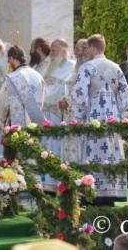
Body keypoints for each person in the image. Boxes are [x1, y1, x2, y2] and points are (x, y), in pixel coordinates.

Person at [72, 34, 128, 205]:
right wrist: (122, 116)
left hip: (94, 115)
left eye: (87, 49)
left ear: (92, 48)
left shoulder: (87, 67)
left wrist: (77, 116)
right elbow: (124, 93)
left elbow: (80, 95)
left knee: (92, 151)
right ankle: (112, 191)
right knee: (110, 152)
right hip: (112, 116)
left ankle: (92, 190)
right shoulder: (116, 67)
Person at [41, 39, 75, 177]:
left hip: (59, 113)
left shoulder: (71, 67)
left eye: (54, 51)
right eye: (51, 51)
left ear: (64, 51)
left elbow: (65, 90)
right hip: (46, 113)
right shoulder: (50, 66)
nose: (52, 54)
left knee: (56, 145)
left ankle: (56, 178)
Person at [0, 46, 45, 128]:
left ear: (11, 58)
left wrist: (1, 121)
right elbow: (42, 100)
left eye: (8, 61)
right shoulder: (38, 76)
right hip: (35, 125)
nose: (9, 64)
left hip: (16, 129)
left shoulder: (11, 78)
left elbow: (2, 104)